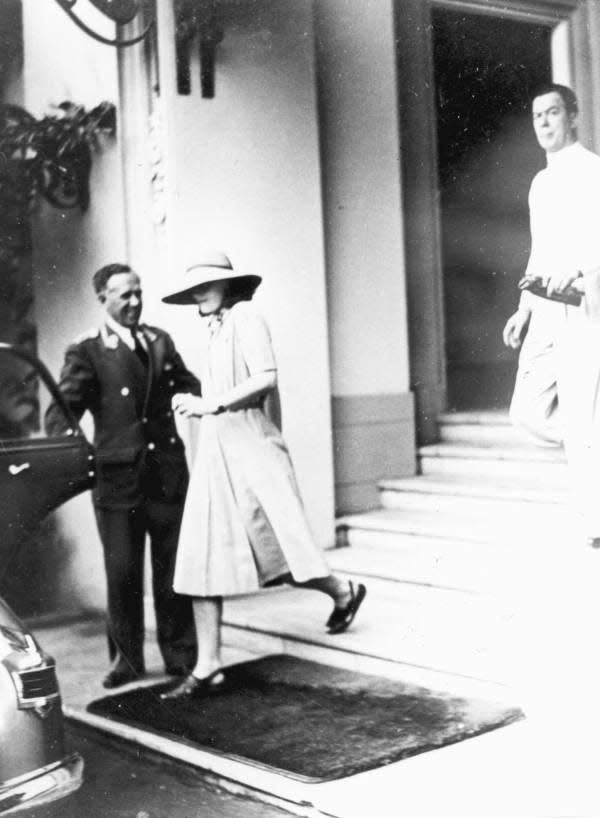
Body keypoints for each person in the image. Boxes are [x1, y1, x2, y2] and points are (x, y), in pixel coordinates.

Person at [158, 251, 366, 700]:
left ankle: (343, 591)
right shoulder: (214, 329)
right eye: (195, 287)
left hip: (252, 446)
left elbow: (266, 378)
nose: (200, 293)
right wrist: (194, 403)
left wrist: (210, 403)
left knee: (278, 550)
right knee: (201, 551)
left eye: (209, 284)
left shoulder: (247, 316)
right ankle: (208, 664)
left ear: (229, 285)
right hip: (217, 449)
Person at [46, 263, 200, 688]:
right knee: (123, 572)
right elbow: (61, 415)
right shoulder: (88, 350)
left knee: (172, 569)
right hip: (119, 479)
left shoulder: (159, 342)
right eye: (124, 295)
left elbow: (190, 386)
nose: (134, 302)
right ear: (103, 299)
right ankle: (126, 661)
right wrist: (81, 460)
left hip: (166, 474)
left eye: (138, 293)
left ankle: (181, 655)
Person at [502, 83, 600, 547]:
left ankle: (596, 525)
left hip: (583, 311)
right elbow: (539, 251)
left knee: (583, 421)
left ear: (573, 117)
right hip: (544, 314)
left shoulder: (592, 172)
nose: (543, 122)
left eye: (553, 113)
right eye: (537, 115)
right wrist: (522, 310)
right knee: (527, 412)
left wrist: (580, 270)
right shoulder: (539, 184)